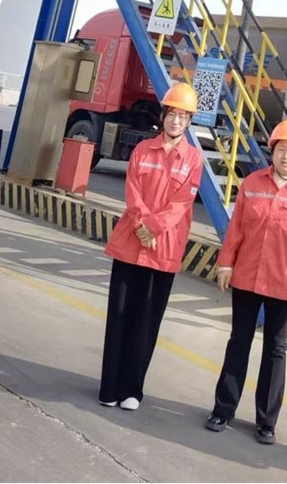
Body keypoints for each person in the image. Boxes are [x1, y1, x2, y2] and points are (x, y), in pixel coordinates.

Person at [205, 118, 287, 445]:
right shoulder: (252, 183)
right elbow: (236, 228)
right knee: (238, 341)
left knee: (276, 349)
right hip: (247, 276)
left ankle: (266, 422)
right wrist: (226, 263)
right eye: (281, 149)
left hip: (285, 282)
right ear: (272, 152)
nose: (286, 156)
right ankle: (223, 410)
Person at [98, 82, 203, 411]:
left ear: (189, 122)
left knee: (146, 321)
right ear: (163, 116)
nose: (176, 121)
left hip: (163, 250)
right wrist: (143, 227)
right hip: (131, 243)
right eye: (172, 114)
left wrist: (153, 229)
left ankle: (132, 390)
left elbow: (182, 203)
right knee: (119, 316)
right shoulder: (143, 150)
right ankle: (109, 388)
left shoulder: (194, 160)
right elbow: (132, 192)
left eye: (183, 117)